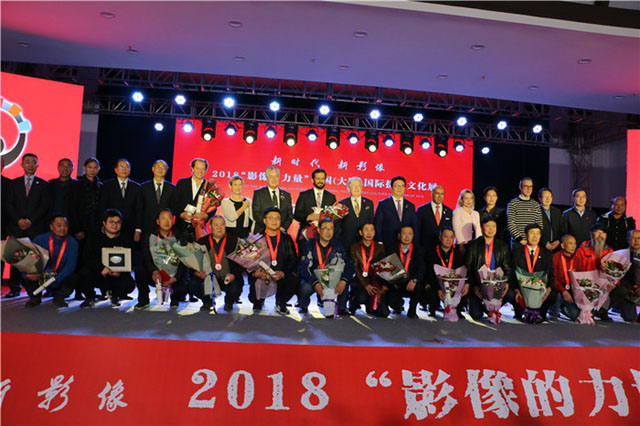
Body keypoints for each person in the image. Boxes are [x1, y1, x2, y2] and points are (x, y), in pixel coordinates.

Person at [4, 153, 50, 298]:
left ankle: (36, 288)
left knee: (35, 259)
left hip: (35, 227)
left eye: (33, 162)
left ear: (37, 165)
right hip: (16, 226)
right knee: (15, 258)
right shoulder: (14, 183)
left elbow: (44, 206)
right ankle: (14, 288)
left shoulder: (44, 185)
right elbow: (9, 204)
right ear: (22, 164)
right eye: (27, 162)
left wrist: (30, 220)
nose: (31, 165)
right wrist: (18, 220)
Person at [78, 209, 136, 307]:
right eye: (111, 222)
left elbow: (132, 260)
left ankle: (115, 295)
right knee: (83, 273)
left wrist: (121, 271)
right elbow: (87, 258)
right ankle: (90, 297)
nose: (115, 225)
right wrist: (101, 268)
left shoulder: (125, 239)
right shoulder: (94, 237)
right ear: (104, 223)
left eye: (118, 222)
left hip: (117, 274)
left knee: (129, 284)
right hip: (99, 273)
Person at [466, 217, 519, 321]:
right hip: (478, 285)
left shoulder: (502, 246)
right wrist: (475, 286)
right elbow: (468, 268)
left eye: (493, 226)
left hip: (497, 285)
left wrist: (505, 283)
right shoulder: (473, 245)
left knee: (510, 294)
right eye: (488, 226)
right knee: (476, 315)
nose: (491, 229)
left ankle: (491, 308)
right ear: (482, 228)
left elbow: (507, 267)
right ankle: (481, 306)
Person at [298, 218, 354, 316]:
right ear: (319, 230)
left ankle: (341, 307)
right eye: (325, 228)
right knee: (305, 287)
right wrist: (315, 282)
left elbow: (349, 264)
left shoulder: (338, 245)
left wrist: (343, 280)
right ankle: (303, 305)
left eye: (331, 228)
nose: (328, 232)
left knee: (345, 281)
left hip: (333, 278)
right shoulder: (309, 244)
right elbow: (302, 267)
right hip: (314, 277)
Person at [134, 209, 188, 310]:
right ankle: (143, 300)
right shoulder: (149, 236)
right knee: (139, 270)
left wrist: (176, 278)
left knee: (183, 285)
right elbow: (146, 257)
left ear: (173, 221)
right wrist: (154, 271)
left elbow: (184, 261)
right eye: (163, 218)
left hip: (174, 275)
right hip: (156, 275)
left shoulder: (180, 236)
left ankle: (175, 298)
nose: (166, 221)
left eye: (169, 218)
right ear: (157, 221)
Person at [248, 207, 298, 313]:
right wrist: (255, 273)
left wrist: (283, 273)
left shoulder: (287, 238)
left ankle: (281, 302)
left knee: (294, 280)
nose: (274, 221)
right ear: (264, 220)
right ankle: (259, 300)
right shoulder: (257, 238)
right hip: (263, 275)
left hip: (280, 275)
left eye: (277, 218)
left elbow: (293, 260)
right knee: (254, 292)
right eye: (271, 218)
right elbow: (249, 261)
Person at [23, 215, 79, 308]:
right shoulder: (40, 239)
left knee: (73, 276)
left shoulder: (72, 242)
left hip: (60, 275)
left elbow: (71, 266)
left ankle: (59, 297)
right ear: (51, 227)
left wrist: (55, 279)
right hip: (41, 274)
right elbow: (29, 259)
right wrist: (27, 275)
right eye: (59, 225)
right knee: (25, 272)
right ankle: (35, 297)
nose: (62, 228)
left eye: (65, 225)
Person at [196, 216, 244, 312]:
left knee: (236, 287)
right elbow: (195, 261)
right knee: (194, 283)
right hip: (209, 278)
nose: (219, 228)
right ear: (210, 227)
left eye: (222, 225)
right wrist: (197, 272)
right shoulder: (202, 242)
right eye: (216, 225)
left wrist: (234, 274)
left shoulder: (234, 240)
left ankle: (229, 302)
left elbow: (241, 262)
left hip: (228, 277)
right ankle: (207, 302)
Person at [511, 223, 554, 321]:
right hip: (521, 289)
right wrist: (516, 289)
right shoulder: (516, 252)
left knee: (553, 294)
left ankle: (541, 311)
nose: (535, 236)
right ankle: (520, 311)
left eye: (537, 233)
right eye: (532, 233)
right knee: (511, 293)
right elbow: (512, 274)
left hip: (540, 289)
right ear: (526, 235)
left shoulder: (546, 253)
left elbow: (550, 273)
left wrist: (548, 288)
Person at [573, 223, 614, 321]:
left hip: (603, 284)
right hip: (586, 283)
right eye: (597, 232)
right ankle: (587, 308)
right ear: (591, 234)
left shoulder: (610, 251)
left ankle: (602, 310)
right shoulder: (582, 250)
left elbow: (613, 272)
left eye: (603, 233)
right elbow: (577, 271)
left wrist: (613, 283)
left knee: (620, 290)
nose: (600, 235)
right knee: (574, 314)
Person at [424, 226, 466, 317]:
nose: (448, 240)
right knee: (429, 288)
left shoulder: (458, 254)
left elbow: (461, 273)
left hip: (453, 285)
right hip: (436, 284)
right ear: (440, 238)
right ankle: (432, 308)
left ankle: (457, 309)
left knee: (463, 288)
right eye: (446, 236)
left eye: (451, 237)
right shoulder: (431, 253)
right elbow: (429, 274)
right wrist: (438, 289)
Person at [98, 158, 142, 244]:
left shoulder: (137, 187)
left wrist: (138, 229)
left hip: (130, 228)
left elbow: (139, 210)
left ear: (130, 170)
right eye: (121, 167)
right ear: (116, 170)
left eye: (127, 167)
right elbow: (102, 207)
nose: (124, 169)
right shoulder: (107, 185)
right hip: (111, 227)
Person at [348, 222, 387, 316]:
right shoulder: (354, 247)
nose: (369, 233)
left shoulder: (380, 247)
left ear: (375, 233)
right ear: (361, 232)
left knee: (383, 313)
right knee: (362, 298)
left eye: (371, 230)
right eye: (366, 230)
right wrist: (366, 285)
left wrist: (382, 285)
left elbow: (384, 267)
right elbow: (355, 268)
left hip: (375, 283)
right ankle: (353, 301)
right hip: (359, 282)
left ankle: (370, 305)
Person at [386, 226, 424, 318]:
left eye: (409, 234)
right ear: (399, 235)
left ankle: (412, 310)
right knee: (391, 300)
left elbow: (422, 268)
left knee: (419, 285)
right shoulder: (391, 249)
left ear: (413, 236)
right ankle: (398, 305)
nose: (407, 236)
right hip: (396, 283)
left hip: (411, 282)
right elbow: (386, 269)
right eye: (404, 233)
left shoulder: (418, 250)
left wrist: (414, 280)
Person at [374, 176, 417, 253]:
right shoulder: (383, 204)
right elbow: (378, 224)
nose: (399, 188)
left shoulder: (410, 206)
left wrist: (415, 242)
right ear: (391, 188)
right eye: (396, 185)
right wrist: (379, 241)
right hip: (387, 243)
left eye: (402, 186)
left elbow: (414, 225)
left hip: (405, 245)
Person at [294, 168, 336, 244]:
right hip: (305, 236)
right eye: (318, 178)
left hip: (324, 237)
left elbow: (334, 217)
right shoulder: (304, 195)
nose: (320, 181)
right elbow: (297, 214)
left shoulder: (331, 197)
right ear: (312, 180)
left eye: (323, 179)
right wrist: (308, 217)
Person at [172, 158, 211, 239]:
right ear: (192, 169)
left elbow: (213, 207)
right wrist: (181, 214)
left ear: (206, 170)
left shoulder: (209, 186)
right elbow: (173, 203)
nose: (200, 171)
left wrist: (206, 215)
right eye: (197, 168)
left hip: (199, 229)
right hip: (181, 227)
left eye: (203, 169)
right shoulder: (182, 183)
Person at [336, 177, 375, 252]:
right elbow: (338, 225)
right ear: (349, 188)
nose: (357, 188)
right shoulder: (342, 203)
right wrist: (337, 242)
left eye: (359, 186)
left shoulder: (369, 203)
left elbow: (371, 222)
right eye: (354, 186)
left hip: (364, 243)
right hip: (346, 243)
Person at [251, 167, 294, 235]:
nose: (274, 179)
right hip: (262, 232)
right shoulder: (259, 193)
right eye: (271, 176)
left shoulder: (286, 195)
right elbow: (256, 214)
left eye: (276, 176)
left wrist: (283, 228)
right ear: (266, 178)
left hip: (281, 233)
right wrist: (270, 227)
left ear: (279, 177)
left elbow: (290, 215)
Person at [609, 230, 640, 322]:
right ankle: (616, 306)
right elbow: (616, 276)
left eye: (639, 238)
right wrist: (629, 287)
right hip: (627, 290)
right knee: (629, 317)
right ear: (628, 239)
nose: (636, 241)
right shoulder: (620, 255)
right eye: (633, 238)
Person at [69, 157, 102, 241]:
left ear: (98, 169)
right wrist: (77, 229)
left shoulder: (101, 186)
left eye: (95, 167)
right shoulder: (76, 185)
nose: (92, 170)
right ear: (84, 168)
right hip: (81, 225)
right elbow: (73, 208)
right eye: (90, 167)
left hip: (97, 226)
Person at [140, 160, 176, 235]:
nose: (160, 169)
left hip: (165, 229)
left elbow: (173, 208)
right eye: (158, 167)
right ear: (153, 169)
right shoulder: (143, 187)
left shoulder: (172, 188)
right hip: (146, 226)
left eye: (163, 167)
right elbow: (139, 208)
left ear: (166, 170)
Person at [550, 234, 580, 321]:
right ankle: (553, 311)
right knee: (558, 295)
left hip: (571, 290)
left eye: (574, 243)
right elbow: (553, 278)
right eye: (570, 243)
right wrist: (563, 291)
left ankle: (562, 308)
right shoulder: (555, 257)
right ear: (563, 245)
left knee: (575, 316)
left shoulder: (577, 259)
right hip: (557, 289)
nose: (573, 246)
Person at [507, 177, 543, 248]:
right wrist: (520, 240)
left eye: (531, 186)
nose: (528, 189)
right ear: (520, 187)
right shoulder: (513, 203)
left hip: (533, 243)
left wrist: (534, 239)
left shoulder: (536, 205)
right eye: (526, 186)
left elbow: (539, 225)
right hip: (518, 243)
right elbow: (510, 224)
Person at [416, 185, 453, 251]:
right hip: (425, 248)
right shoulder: (422, 210)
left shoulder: (449, 211)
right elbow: (417, 230)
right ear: (432, 194)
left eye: (442, 194)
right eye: (437, 193)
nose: (440, 196)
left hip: (442, 248)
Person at [538, 187, 562, 252]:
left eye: (550, 197)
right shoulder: (536, 211)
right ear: (540, 198)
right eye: (545, 196)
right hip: (541, 246)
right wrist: (545, 243)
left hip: (556, 246)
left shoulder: (557, 211)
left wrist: (558, 241)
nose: (547, 199)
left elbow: (562, 229)